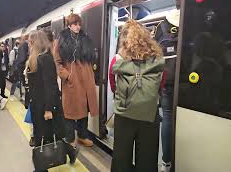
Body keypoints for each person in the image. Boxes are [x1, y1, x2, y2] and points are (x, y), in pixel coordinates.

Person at [110, 20, 164, 172]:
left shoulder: (118, 59)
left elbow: (113, 85)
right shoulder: (157, 59)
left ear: (124, 38)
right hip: (149, 115)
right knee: (147, 158)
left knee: (121, 157)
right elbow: (161, 84)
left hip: (124, 114)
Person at [27, 30, 78, 172]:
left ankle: (41, 167)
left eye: (30, 42)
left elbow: (50, 85)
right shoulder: (39, 58)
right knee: (50, 134)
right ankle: (71, 152)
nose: (29, 44)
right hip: (39, 105)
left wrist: (48, 109)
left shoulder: (45, 59)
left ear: (35, 42)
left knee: (44, 136)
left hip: (45, 105)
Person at [54, 14, 99, 148]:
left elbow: (91, 58)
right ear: (69, 25)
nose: (77, 27)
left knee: (84, 110)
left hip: (86, 80)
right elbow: (56, 62)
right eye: (74, 24)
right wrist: (67, 75)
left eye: (79, 24)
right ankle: (70, 138)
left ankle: (82, 136)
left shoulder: (86, 39)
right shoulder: (61, 41)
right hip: (72, 81)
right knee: (70, 112)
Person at [154, 0, 181, 171]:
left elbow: (154, 55)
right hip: (190, 80)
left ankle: (166, 162)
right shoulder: (197, 20)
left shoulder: (162, 25)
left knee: (168, 120)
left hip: (167, 81)